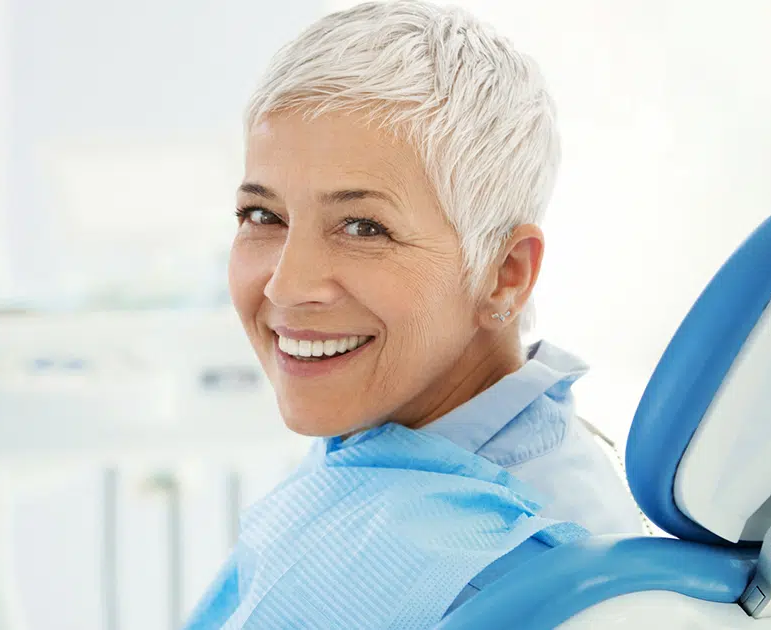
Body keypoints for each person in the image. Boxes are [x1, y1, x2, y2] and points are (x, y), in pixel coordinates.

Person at [186, 2, 643, 627]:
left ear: (504, 273)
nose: (287, 286)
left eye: (363, 226)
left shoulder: (517, 566)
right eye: (262, 216)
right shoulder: (392, 453)